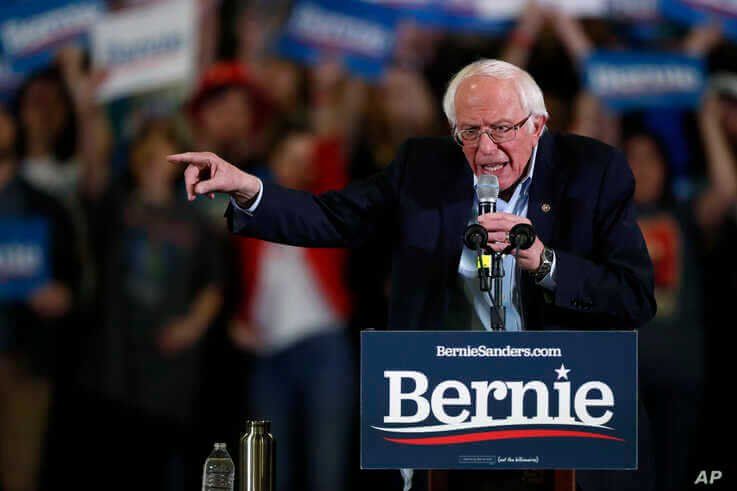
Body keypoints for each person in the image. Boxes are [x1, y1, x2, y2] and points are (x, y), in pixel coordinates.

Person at [170, 58, 656, 488]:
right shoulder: (423, 167)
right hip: (451, 405)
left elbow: (633, 297)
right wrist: (247, 187)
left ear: (539, 124)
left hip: (564, 411)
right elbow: (333, 216)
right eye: (469, 132)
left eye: (503, 129)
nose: (485, 149)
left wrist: (546, 263)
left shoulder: (593, 171)